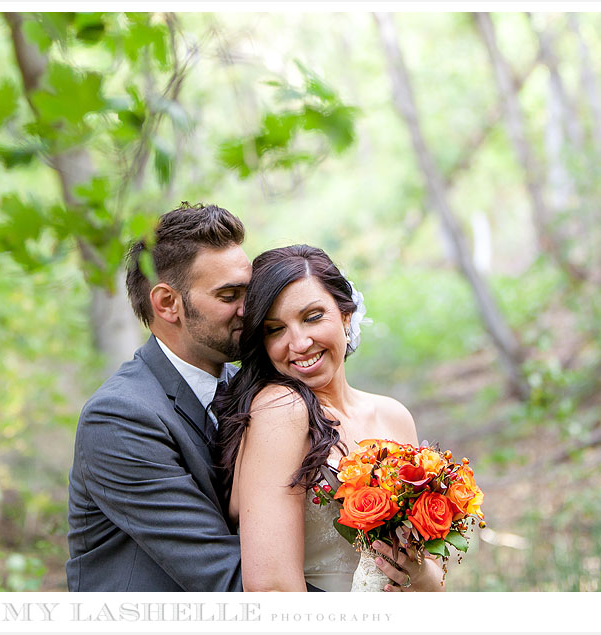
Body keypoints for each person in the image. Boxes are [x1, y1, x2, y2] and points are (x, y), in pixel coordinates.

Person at [216, 244, 446, 592]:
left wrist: (423, 576)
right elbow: (272, 587)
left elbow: (429, 570)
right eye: (275, 329)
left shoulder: (394, 416)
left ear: (345, 314)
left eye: (311, 317)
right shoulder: (281, 409)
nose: (299, 342)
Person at [66, 202, 251, 591]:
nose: (248, 309)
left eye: (250, 291)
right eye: (230, 295)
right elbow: (224, 575)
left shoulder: (248, 389)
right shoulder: (120, 417)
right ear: (168, 303)